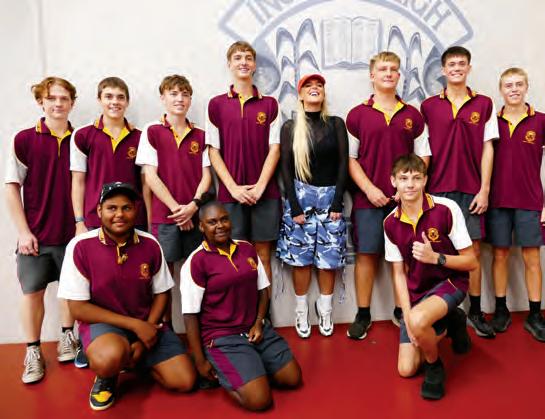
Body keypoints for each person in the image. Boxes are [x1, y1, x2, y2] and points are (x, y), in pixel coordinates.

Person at [58, 182, 196, 411]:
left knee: (185, 381)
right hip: (104, 325)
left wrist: (146, 334)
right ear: (99, 211)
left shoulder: (150, 244)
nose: (119, 214)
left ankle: (134, 359)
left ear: (135, 210)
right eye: (112, 208)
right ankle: (108, 374)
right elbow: (78, 308)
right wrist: (135, 326)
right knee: (108, 358)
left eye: (126, 208)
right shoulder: (80, 246)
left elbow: (162, 292)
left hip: (146, 322)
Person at [181, 200, 302, 411]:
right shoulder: (196, 261)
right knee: (259, 401)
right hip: (223, 337)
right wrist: (200, 362)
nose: (220, 226)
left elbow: (262, 290)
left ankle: (251, 365)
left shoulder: (246, 248)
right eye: (212, 222)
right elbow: (190, 315)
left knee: (292, 379)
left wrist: (259, 322)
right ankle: (229, 369)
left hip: (255, 329)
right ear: (201, 226)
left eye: (224, 219)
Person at [346, 51, 429, 339]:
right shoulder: (357, 114)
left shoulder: (413, 115)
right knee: (367, 255)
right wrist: (370, 189)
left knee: (404, 257)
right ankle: (363, 313)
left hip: (406, 201)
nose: (389, 73)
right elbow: (351, 159)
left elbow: (423, 157)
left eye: (394, 69)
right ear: (372, 75)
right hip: (367, 200)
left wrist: (406, 188)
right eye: (383, 69)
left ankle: (401, 309)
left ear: (399, 75)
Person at [421, 46, 499, 338]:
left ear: (468, 68)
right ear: (443, 70)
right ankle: (441, 312)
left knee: (473, 252)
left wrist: (484, 189)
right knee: (438, 252)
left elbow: (488, 148)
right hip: (438, 190)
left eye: (461, 64)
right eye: (451, 64)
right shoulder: (428, 106)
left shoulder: (484, 104)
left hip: (471, 190)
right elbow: (423, 151)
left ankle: (475, 311)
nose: (456, 68)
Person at [384, 154, 477, 400]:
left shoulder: (447, 208)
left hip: (451, 283)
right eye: (404, 178)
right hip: (418, 293)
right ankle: (452, 320)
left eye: (416, 178)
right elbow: (398, 274)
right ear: (393, 181)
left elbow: (472, 262)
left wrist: (436, 257)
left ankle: (435, 367)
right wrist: (406, 317)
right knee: (406, 369)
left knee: (418, 322)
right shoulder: (389, 223)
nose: (410, 185)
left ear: (425, 180)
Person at [5, 77, 78, 383]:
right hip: (35, 234)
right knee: (32, 293)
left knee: (71, 291)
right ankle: (33, 351)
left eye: (64, 98)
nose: (58, 104)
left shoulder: (81, 140)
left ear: (72, 102)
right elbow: (11, 187)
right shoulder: (24, 140)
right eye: (52, 98)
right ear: (41, 102)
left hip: (72, 233)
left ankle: (67, 338)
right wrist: (23, 232)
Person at [276, 73, 348, 338]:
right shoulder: (290, 127)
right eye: (308, 86)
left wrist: (338, 201)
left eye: (319, 85)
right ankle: (301, 309)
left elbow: (343, 163)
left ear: (323, 93)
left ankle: (325, 308)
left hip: (331, 199)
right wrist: (294, 206)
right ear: (301, 94)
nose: (314, 88)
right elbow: (285, 168)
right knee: (301, 258)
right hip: (300, 198)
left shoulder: (336, 124)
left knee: (329, 258)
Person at [206, 40, 280, 284]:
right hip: (231, 195)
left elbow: (275, 149)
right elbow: (213, 151)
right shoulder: (216, 104)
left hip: (264, 194)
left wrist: (259, 187)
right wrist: (233, 188)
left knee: (263, 255)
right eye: (237, 58)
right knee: (234, 255)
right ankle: (241, 307)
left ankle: (264, 308)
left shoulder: (270, 104)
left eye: (248, 58)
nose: (243, 62)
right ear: (229, 64)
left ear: (255, 65)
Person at [487, 68, 545, 341]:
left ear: (526, 87)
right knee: (499, 255)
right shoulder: (491, 122)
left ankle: (535, 315)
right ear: (501, 90)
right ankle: (501, 309)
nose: (514, 89)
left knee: (532, 258)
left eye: (519, 84)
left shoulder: (541, 121)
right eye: (508, 85)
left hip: (530, 201)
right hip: (498, 201)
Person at [136, 74, 212, 273]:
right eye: (174, 94)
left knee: (196, 271)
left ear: (190, 100)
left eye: (185, 94)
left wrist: (192, 207)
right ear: (163, 98)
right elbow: (150, 176)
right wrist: (178, 212)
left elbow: (206, 176)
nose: (180, 99)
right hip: (165, 217)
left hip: (195, 215)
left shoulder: (201, 135)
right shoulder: (151, 131)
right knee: (164, 273)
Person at [71, 76, 147, 233]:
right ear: (99, 100)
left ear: (127, 102)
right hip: (95, 219)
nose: (115, 102)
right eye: (109, 96)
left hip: (133, 218)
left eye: (120, 97)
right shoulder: (82, 135)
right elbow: (78, 181)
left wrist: (149, 221)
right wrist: (79, 221)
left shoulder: (140, 137)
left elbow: (146, 183)